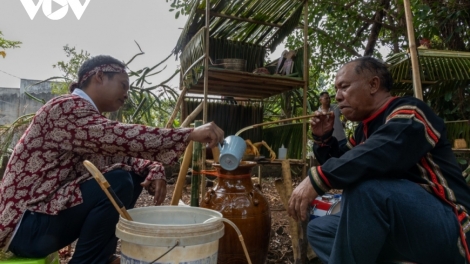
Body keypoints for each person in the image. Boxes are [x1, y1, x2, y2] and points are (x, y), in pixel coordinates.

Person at [0, 55, 224, 264]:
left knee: (129, 176)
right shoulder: (66, 109)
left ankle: (102, 256)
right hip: (25, 226)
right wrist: (188, 134)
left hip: (39, 222)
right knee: (117, 182)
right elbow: (122, 137)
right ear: (99, 77)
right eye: (123, 85)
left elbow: (122, 154)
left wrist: (153, 168)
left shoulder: (86, 120)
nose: (126, 94)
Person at [287, 56, 470, 264]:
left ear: (373, 84)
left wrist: (317, 178)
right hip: (404, 227)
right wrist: (324, 139)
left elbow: (382, 152)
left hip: (452, 225)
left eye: (344, 87)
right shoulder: (363, 130)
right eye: (336, 90)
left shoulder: (409, 112)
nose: (337, 97)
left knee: (367, 190)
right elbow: (345, 160)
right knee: (321, 229)